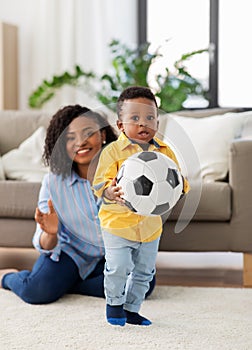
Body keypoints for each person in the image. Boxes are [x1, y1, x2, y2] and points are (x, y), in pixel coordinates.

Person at [0, 105, 120, 304]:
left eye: (88, 133)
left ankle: (67, 284)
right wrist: (51, 233)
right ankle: (8, 276)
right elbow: (44, 244)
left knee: (143, 285)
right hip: (69, 253)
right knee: (36, 292)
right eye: (70, 137)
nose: (80, 142)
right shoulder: (54, 182)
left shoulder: (122, 173)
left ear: (103, 135)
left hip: (109, 255)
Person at [93, 86, 190, 326]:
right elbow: (98, 184)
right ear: (121, 125)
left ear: (157, 122)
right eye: (134, 118)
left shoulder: (165, 152)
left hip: (149, 228)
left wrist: (181, 187)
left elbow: (175, 179)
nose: (143, 123)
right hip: (117, 225)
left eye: (149, 117)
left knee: (145, 272)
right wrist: (109, 191)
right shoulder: (113, 152)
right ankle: (114, 305)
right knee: (119, 266)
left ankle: (132, 309)